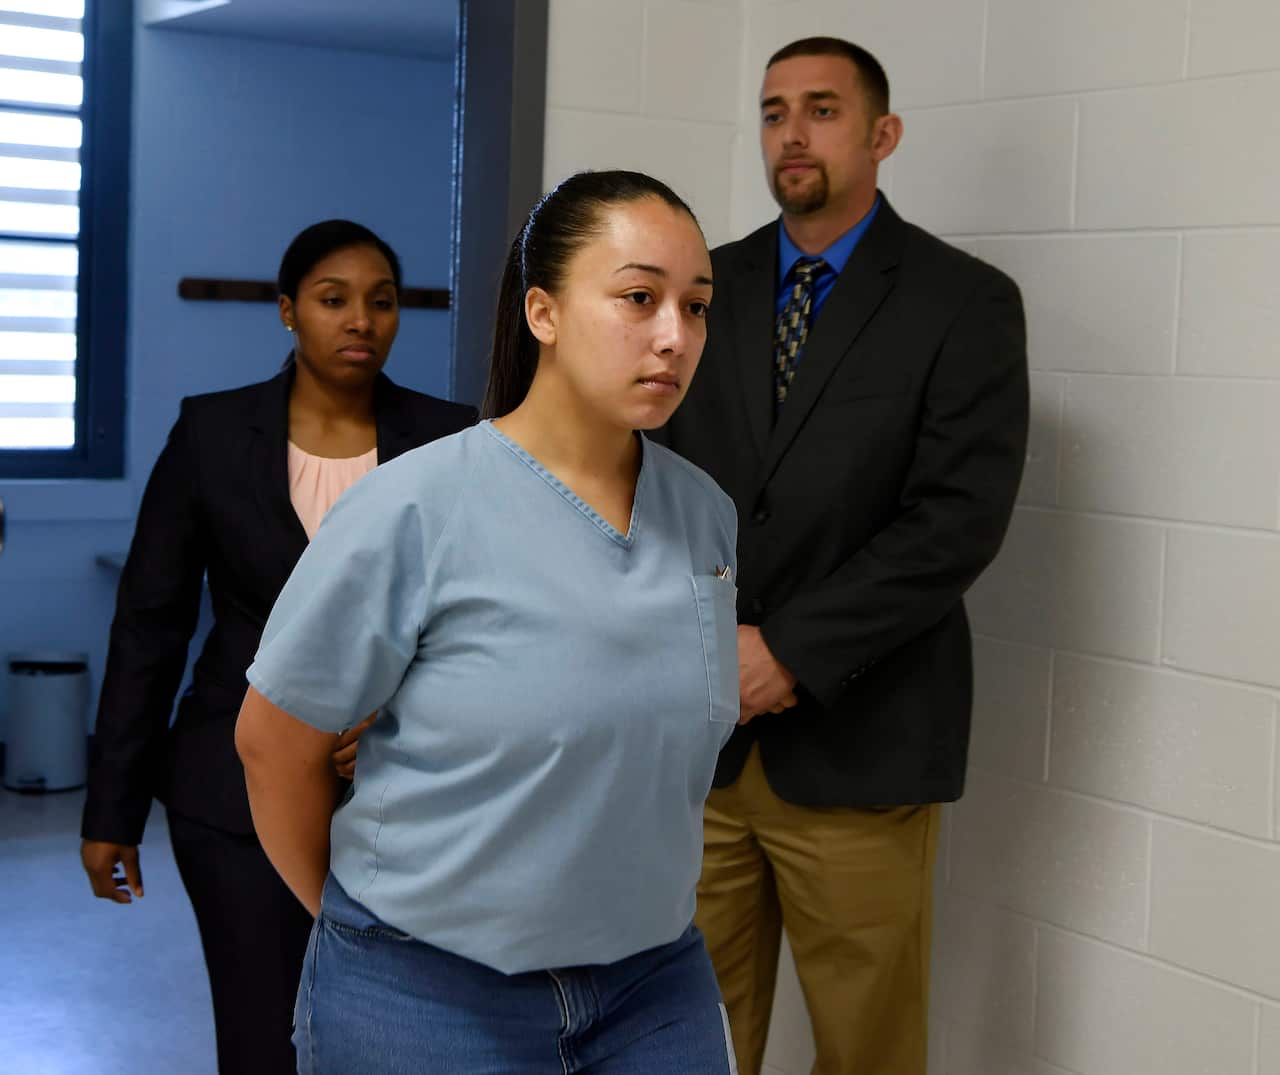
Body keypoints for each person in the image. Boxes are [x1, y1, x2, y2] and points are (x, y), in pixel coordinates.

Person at [234, 170, 740, 1074]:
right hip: (427, 991)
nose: (674, 336)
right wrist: (362, 932)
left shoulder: (703, 514)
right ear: (542, 313)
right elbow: (274, 744)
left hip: (652, 983)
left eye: (694, 306)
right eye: (638, 297)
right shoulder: (415, 508)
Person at [654, 36, 1030, 1075]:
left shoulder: (961, 302)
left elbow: (954, 519)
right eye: (773, 111)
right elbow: (648, 484)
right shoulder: (702, 289)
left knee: (865, 1048)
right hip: (700, 742)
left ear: (881, 135)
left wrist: (786, 652)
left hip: (862, 740)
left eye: (820, 109)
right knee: (684, 1035)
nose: (791, 133)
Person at [79, 219, 477, 1074]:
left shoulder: (452, 440)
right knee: (265, 1036)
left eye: (381, 301)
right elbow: (151, 623)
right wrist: (110, 808)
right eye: (334, 300)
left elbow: (481, 620)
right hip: (232, 794)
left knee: (399, 1037)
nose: (360, 320)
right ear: (289, 311)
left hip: (409, 796)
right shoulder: (213, 434)